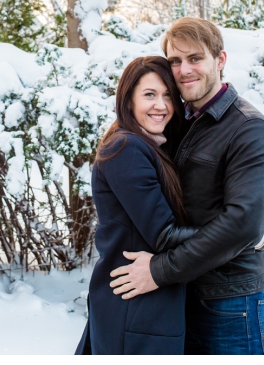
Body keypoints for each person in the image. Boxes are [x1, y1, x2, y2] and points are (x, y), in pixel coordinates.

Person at [108, 17, 264, 355]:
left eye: (195, 58)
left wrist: (160, 270)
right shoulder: (175, 122)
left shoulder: (249, 129)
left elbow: (241, 223)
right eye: (175, 61)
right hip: (178, 295)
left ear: (220, 60)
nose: (184, 70)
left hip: (229, 299)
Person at [74, 56, 199, 355]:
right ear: (127, 100)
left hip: (146, 303)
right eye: (149, 95)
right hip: (137, 308)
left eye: (168, 95)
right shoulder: (126, 148)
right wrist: (233, 235)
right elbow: (164, 235)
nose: (161, 105)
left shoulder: (149, 146)